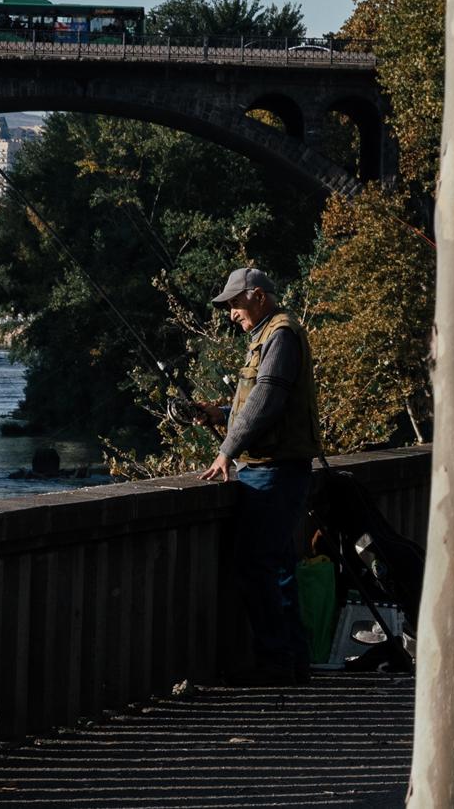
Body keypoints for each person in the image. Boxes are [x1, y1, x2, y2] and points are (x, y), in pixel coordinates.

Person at [203, 264, 318, 682]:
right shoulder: (267, 336)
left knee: (258, 565)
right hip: (272, 468)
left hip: (274, 470)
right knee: (277, 565)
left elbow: (268, 400)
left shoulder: (281, 335)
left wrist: (226, 451)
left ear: (257, 295)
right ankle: (291, 661)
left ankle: (277, 660)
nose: (231, 312)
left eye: (234, 303)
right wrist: (219, 415)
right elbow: (260, 401)